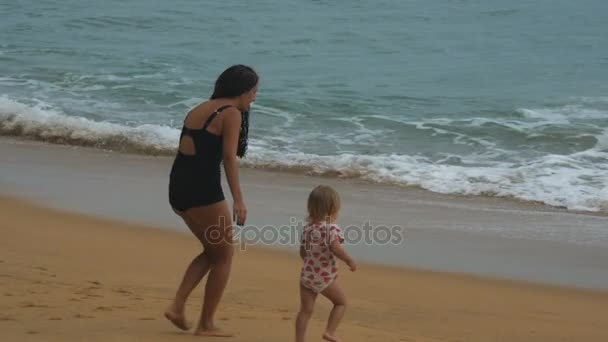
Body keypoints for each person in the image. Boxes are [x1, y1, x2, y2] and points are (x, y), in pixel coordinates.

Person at [164, 64, 258, 337]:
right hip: (201, 191)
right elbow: (229, 158)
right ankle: (206, 324)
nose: (254, 98)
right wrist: (238, 200)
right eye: (253, 92)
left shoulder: (201, 108)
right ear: (241, 91)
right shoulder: (230, 114)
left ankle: (178, 306)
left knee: (213, 251)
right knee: (224, 256)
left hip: (178, 188)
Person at [295, 185, 357, 342]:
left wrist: (311, 263)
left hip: (307, 276)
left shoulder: (307, 229)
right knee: (341, 303)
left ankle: (299, 340)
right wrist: (348, 259)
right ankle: (330, 331)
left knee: (305, 311)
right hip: (323, 278)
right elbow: (335, 248)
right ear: (331, 210)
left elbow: (303, 252)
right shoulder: (331, 229)